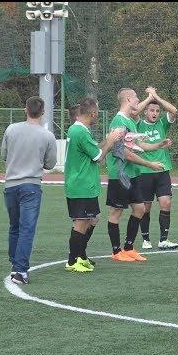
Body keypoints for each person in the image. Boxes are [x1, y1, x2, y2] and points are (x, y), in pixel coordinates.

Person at [105, 88, 168, 262]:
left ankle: (129, 248)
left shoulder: (130, 121)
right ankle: (116, 252)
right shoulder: (119, 122)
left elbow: (139, 144)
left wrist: (158, 145)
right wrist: (149, 164)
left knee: (139, 209)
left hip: (132, 174)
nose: (138, 101)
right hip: (120, 174)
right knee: (116, 211)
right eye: (135, 98)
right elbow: (124, 153)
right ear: (127, 99)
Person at [1, 96, 57, 284]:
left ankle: (15, 263)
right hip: (31, 185)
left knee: (14, 226)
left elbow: (4, 155)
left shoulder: (11, 129)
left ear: (25, 109)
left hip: (10, 185)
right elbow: (50, 163)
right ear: (42, 113)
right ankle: (20, 270)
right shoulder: (47, 135)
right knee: (27, 229)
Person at [64, 98, 123, 272]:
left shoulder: (80, 130)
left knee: (93, 219)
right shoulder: (79, 131)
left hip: (85, 184)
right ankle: (73, 261)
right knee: (81, 223)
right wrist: (111, 140)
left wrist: (108, 141)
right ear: (92, 113)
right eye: (97, 112)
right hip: (81, 184)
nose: (98, 115)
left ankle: (81, 255)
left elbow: (94, 150)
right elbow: (99, 157)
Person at [132, 87, 178, 250]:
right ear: (146, 112)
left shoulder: (162, 123)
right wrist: (148, 97)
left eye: (157, 110)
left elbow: (173, 110)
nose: (155, 113)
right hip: (144, 171)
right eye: (151, 110)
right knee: (146, 207)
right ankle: (146, 239)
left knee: (166, 203)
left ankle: (163, 239)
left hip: (162, 171)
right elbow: (134, 111)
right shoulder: (137, 124)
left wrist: (156, 97)